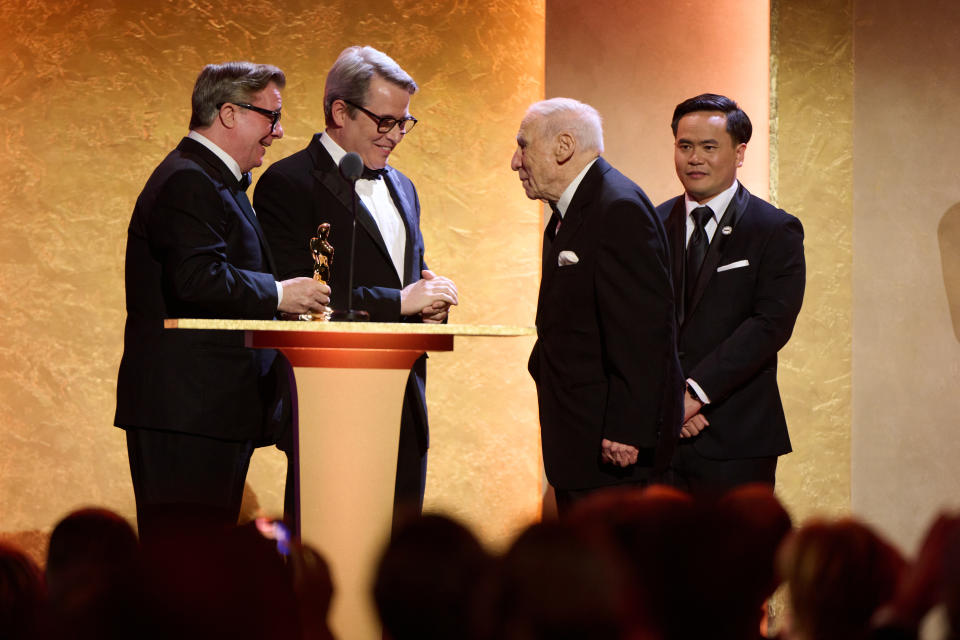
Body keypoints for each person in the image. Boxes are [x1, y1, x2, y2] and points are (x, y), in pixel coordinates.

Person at [114, 62, 331, 542]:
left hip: (208, 412)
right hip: (187, 414)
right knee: (183, 571)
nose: (279, 132)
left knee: (201, 571)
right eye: (271, 117)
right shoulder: (189, 180)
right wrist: (280, 294)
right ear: (229, 113)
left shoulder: (210, 180)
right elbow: (196, 279)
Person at [254, 46, 458, 517]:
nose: (396, 136)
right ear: (339, 111)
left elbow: (407, 277)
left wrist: (430, 302)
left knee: (400, 553)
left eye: (403, 122)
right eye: (385, 121)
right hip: (330, 401)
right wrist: (399, 302)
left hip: (402, 394)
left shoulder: (403, 186)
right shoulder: (288, 183)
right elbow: (297, 294)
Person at [512, 97, 683, 513]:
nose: (515, 162)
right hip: (581, 440)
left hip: (610, 453)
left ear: (563, 146)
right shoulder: (570, 210)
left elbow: (643, 330)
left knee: (613, 570)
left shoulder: (617, 207)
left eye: (523, 146)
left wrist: (628, 429)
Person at [657, 93, 806, 495]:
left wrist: (694, 393)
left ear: (740, 153)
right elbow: (635, 321)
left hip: (737, 436)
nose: (694, 158)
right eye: (684, 146)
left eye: (709, 147)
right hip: (659, 434)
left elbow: (770, 324)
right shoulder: (650, 224)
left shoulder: (774, 229)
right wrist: (671, 398)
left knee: (734, 557)